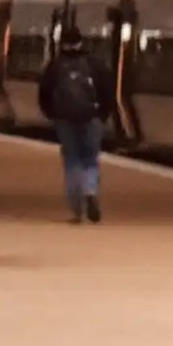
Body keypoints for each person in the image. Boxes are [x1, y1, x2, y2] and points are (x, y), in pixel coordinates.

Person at [37, 28, 114, 223]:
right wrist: (102, 115)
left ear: (62, 43)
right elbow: (107, 91)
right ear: (82, 42)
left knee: (72, 160)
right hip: (91, 118)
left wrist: (52, 115)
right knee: (90, 158)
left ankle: (76, 211)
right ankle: (90, 191)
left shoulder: (55, 65)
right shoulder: (94, 63)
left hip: (64, 119)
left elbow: (44, 93)